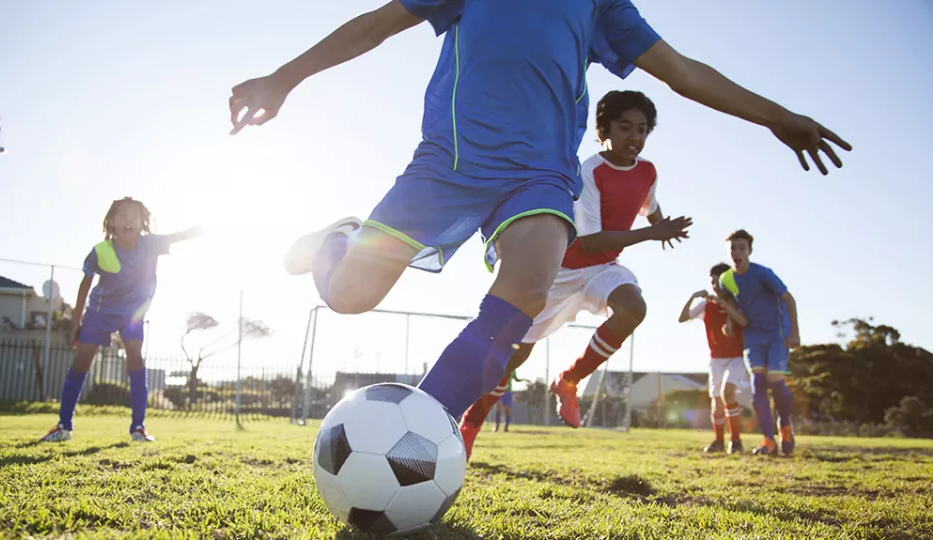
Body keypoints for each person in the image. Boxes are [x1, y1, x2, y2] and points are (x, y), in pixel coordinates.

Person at [228, 0, 850, 422]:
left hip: (541, 174)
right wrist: (284, 77)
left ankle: (423, 424)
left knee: (526, 288)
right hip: (447, 163)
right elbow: (375, 26)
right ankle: (340, 238)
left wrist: (777, 117)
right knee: (349, 297)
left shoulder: (603, 4)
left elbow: (682, 71)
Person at [458, 90, 692, 459]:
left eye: (642, 129)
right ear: (604, 132)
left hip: (601, 269)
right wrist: (652, 233)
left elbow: (650, 204)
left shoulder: (648, 171)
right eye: (625, 127)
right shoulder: (590, 171)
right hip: (561, 269)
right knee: (514, 357)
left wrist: (663, 224)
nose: (634, 136)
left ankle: (569, 381)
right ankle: (471, 424)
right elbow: (594, 239)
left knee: (634, 307)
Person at [41, 197, 204, 442]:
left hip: (133, 313)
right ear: (112, 222)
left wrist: (203, 229)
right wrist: (77, 320)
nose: (129, 219)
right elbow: (85, 284)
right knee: (82, 361)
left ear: (142, 223)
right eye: (123, 215)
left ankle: (138, 427)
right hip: (100, 311)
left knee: (136, 359)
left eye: (135, 216)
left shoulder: (151, 244)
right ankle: (64, 425)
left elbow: (179, 235)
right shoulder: (101, 250)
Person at [719, 229, 799, 456]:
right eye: (733, 248)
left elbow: (788, 299)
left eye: (741, 248)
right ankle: (768, 439)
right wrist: (730, 324)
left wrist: (794, 333)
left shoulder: (763, 274)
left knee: (775, 378)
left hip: (777, 333)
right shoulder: (726, 279)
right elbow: (732, 304)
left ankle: (785, 425)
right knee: (758, 383)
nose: (737, 252)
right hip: (752, 335)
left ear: (749, 251)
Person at [679, 262, 750, 454]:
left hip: (736, 357)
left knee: (728, 394)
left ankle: (735, 441)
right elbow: (682, 318)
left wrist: (727, 309)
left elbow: (742, 323)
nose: (716, 286)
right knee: (716, 399)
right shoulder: (706, 305)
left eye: (719, 282)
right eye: (713, 282)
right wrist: (693, 296)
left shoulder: (737, 302)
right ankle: (718, 441)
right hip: (716, 359)